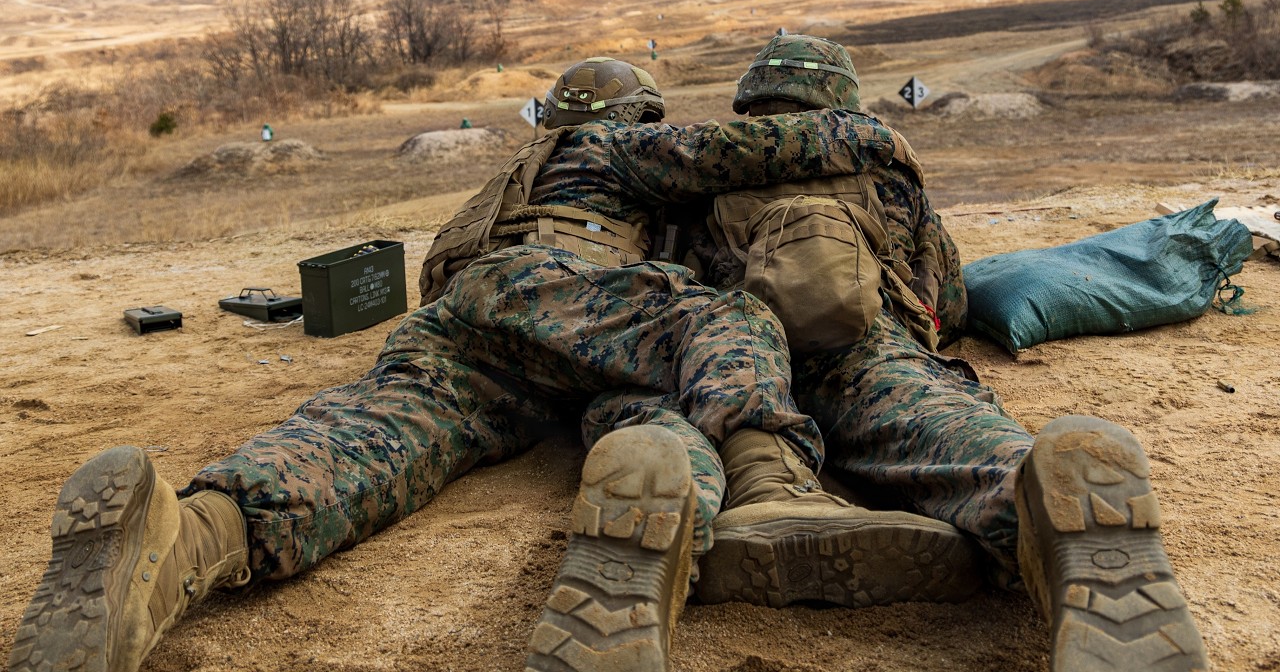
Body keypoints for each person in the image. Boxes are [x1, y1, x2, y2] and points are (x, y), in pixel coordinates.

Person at [6, 58, 970, 672]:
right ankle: (765, 488)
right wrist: (874, 135)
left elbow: (454, 290)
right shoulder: (608, 145)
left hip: (474, 329)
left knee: (371, 434)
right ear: (628, 115)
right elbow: (751, 147)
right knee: (719, 319)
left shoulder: (493, 185)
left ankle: (185, 540)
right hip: (557, 293)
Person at [667, 34, 1208, 671]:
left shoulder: (704, 170)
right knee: (949, 433)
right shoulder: (883, 171)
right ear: (842, 96)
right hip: (868, 352)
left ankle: (752, 501)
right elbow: (946, 301)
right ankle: (1031, 495)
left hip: (740, 363)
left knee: (701, 439)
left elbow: (667, 286)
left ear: (751, 96)